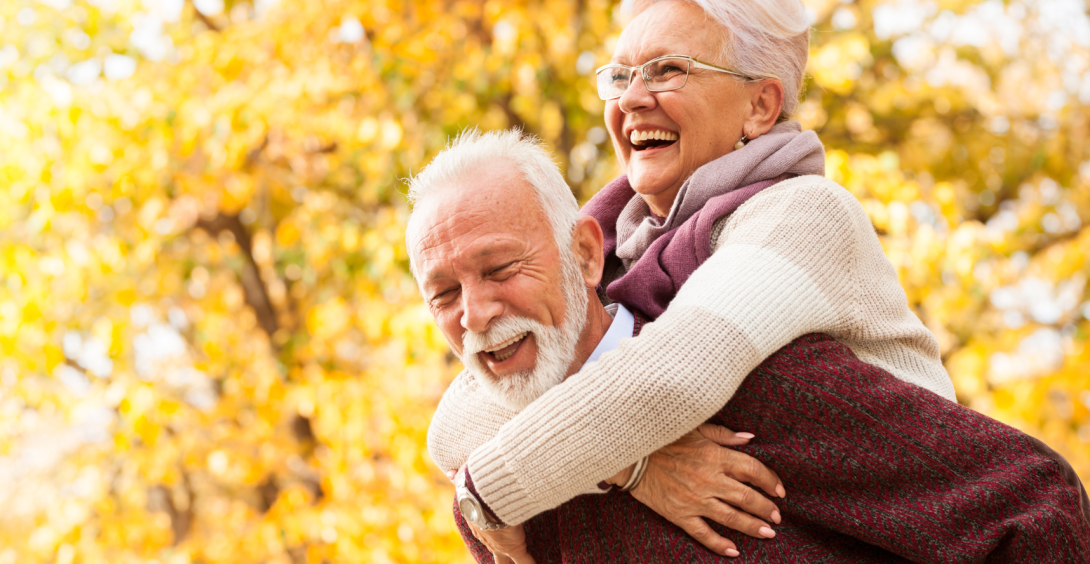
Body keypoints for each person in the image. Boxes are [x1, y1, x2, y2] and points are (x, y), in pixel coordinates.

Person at [406, 129, 1090, 562]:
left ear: (585, 253)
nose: (475, 312)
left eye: (500, 269)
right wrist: (632, 464)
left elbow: (1032, 503)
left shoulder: (766, 385)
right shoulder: (497, 486)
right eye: (442, 293)